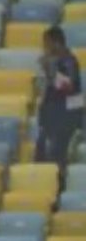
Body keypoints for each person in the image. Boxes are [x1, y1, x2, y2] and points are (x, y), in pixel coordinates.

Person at [37, 26, 82, 190]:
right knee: (41, 155)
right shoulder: (53, 62)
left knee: (56, 157)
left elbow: (69, 88)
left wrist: (50, 72)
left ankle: (59, 192)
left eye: (46, 43)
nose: (44, 48)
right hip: (50, 118)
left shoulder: (69, 61)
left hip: (64, 119)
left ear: (56, 43)